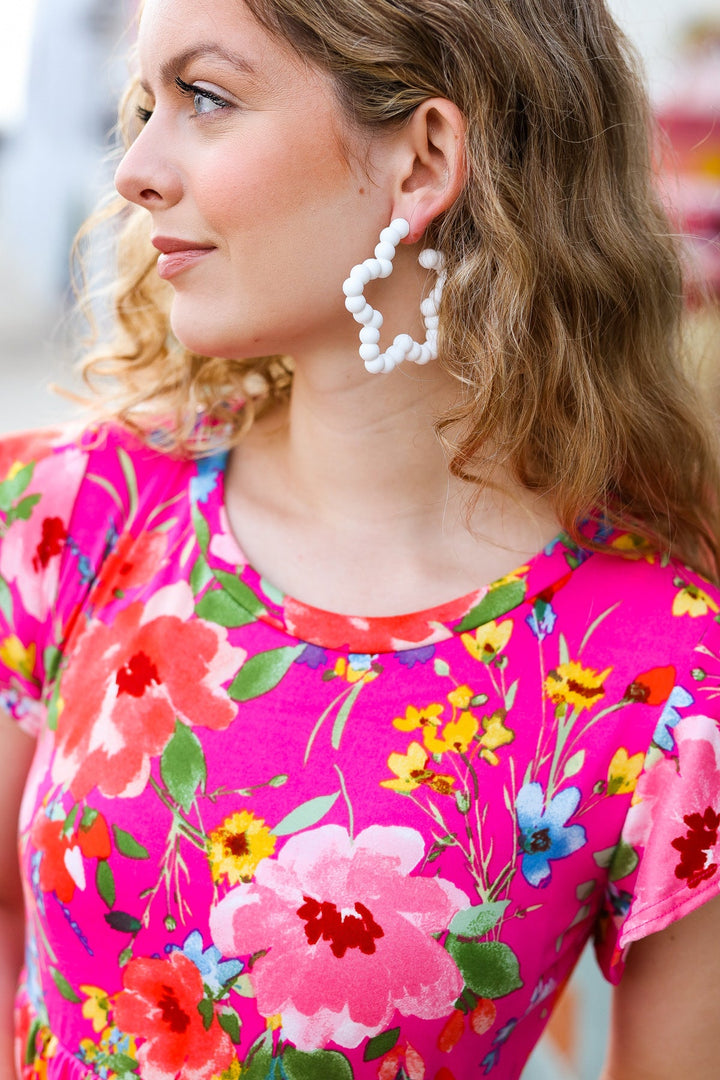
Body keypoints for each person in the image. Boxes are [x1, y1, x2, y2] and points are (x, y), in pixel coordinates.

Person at [2, 0, 720, 1077]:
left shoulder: (664, 671)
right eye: (145, 104)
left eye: (205, 96)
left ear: (423, 161)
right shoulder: (69, 509)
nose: (135, 170)